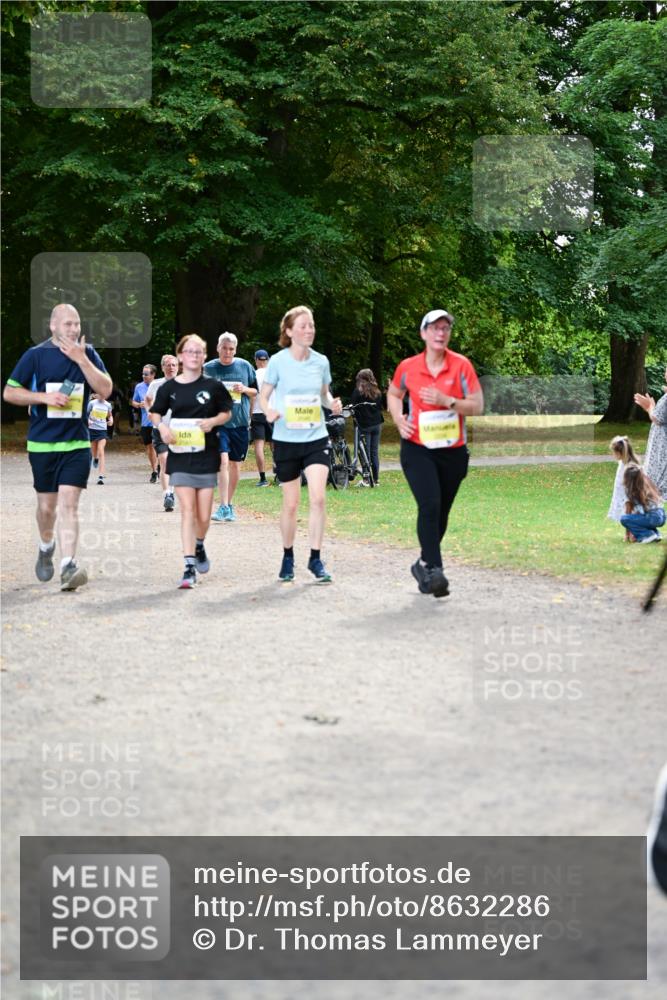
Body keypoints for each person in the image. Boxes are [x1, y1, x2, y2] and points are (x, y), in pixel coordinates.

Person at [3, 303, 112, 590]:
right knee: (46, 508)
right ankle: (45, 544)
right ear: (53, 326)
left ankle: (68, 566)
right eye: (68, 324)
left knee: (69, 504)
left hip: (76, 443)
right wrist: (43, 398)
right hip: (42, 445)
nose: (74, 329)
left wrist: (82, 361)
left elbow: (106, 389)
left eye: (77, 324)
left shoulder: (87, 354)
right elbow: (10, 392)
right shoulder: (35, 356)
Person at [387, 308, 484, 598]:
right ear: (424, 333)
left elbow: (477, 405)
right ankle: (436, 571)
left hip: (452, 451)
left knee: (440, 512)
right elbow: (393, 394)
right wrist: (398, 418)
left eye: (446, 329)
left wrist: (448, 401)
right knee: (429, 504)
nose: (441, 333)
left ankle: (423, 564)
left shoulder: (461, 365)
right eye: (435, 328)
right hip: (417, 448)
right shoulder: (408, 366)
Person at [260, 305, 342, 583]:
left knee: (318, 498)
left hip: (315, 438)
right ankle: (287, 556)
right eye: (303, 325)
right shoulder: (278, 362)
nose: (309, 329)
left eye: (312, 325)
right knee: (292, 504)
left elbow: (324, 394)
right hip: (285, 440)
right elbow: (264, 395)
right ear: (289, 331)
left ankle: (316, 559)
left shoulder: (321, 361)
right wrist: (269, 410)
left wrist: (332, 403)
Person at [149, 334, 233, 588]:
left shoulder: (213, 386)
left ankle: (199, 544)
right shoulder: (168, 388)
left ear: (204, 356)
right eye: (188, 351)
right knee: (187, 510)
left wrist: (213, 422)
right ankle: (188, 567)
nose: (193, 355)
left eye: (198, 351)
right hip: (180, 455)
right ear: (181, 356)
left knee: (204, 515)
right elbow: (155, 413)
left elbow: (227, 412)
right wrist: (162, 429)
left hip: (205, 455)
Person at [204, 333, 257, 521]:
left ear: (235, 349)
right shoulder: (207, 368)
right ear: (218, 347)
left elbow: (255, 391)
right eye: (224, 348)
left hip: (240, 424)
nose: (228, 352)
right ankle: (223, 506)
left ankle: (229, 505)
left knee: (235, 465)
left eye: (231, 349)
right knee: (223, 461)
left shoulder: (245, 366)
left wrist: (244, 389)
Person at [145, 354, 179, 511]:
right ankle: (168, 495)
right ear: (163, 367)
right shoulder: (156, 384)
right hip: (159, 429)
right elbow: (147, 399)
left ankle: (172, 490)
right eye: (168, 365)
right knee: (164, 460)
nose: (171, 367)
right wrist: (149, 412)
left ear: (178, 367)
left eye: (173, 365)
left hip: (178, 430)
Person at [634, 365, 667, 501]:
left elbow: (657, 418)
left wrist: (649, 407)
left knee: (656, 473)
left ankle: (653, 504)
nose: (665, 373)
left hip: (662, 442)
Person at [351, 368, 384, 485]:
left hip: (365, 425)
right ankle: (375, 479)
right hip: (377, 424)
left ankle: (366, 479)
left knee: (365, 452)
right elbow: (380, 407)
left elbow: (353, 408)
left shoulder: (358, 392)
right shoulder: (377, 392)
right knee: (374, 452)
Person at [620, 463, 666, 544]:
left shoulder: (629, 491)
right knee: (642, 517)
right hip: (662, 515)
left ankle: (647, 535)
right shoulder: (647, 485)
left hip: (652, 517)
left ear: (627, 478)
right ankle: (656, 534)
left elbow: (628, 512)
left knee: (624, 518)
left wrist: (627, 535)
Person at [607, 435, 641, 534]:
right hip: (623, 492)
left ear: (619, 453)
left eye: (614, 453)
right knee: (627, 511)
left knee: (629, 511)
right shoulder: (622, 463)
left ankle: (629, 533)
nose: (613, 455)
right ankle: (629, 533)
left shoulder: (630, 466)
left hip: (628, 494)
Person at [132, 364, 158, 482]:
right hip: (145, 423)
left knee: (158, 447)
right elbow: (133, 401)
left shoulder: (160, 385)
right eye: (143, 374)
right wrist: (138, 405)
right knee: (149, 447)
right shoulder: (139, 387)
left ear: (153, 375)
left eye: (146, 374)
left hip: (159, 421)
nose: (144, 376)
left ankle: (160, 466)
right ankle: (154, 471)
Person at [250, 349, 273, 486]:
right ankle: (281, 477)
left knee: (259, 446)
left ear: (256, 360)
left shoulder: (253, 374)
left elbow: (253, 396)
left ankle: (263, 478)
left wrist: (250, 414)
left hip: (258, 413)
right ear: (268, 360)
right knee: (275, 445)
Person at [87, 391, 113, 485]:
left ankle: (100, 476)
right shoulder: (92, 403)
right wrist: (88, 420)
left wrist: (111, 421)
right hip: (92, 429)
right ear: (96, 395)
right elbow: (85, 415)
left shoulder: (108, 405)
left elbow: (110, 416)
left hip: (102, 430)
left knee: (101, 450)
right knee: (93, 451)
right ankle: (95, 458)